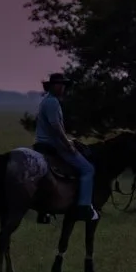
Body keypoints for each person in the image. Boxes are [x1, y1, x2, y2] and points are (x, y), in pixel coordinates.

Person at [35, 72, 97, 218]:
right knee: (88, 169)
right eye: (60, 84)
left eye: (64, 85)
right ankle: (84, 206)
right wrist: (68, 144)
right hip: (53, 144)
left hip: (43, 142)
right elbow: (56, 127)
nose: (62, 87)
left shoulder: (47, 101)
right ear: (52, 86)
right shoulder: (52, 102)